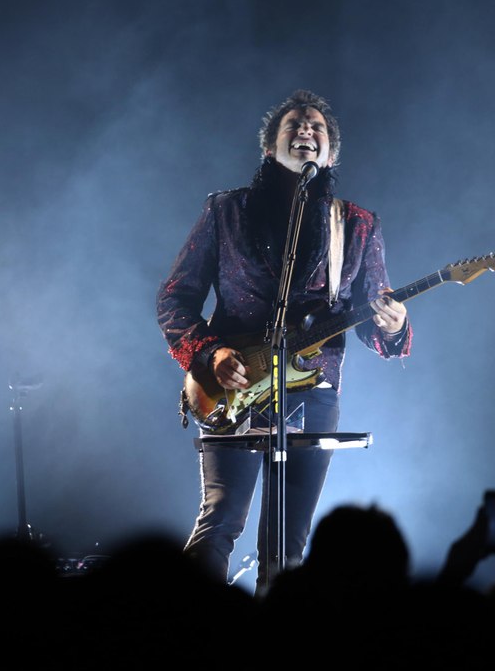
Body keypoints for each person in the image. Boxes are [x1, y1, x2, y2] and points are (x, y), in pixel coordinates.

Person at [156, 89, 412, 594]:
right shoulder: (224, 211)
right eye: (294, 124)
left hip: (314, 392)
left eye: (318, 127)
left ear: (331, 154)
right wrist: (211, 354)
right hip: (237, 386)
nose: (307, 131)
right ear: (270, 148)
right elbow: (174, 300)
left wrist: (392, 324)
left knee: (288, 543)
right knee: (220, 521)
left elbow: (370, 322)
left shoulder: (357, 225)